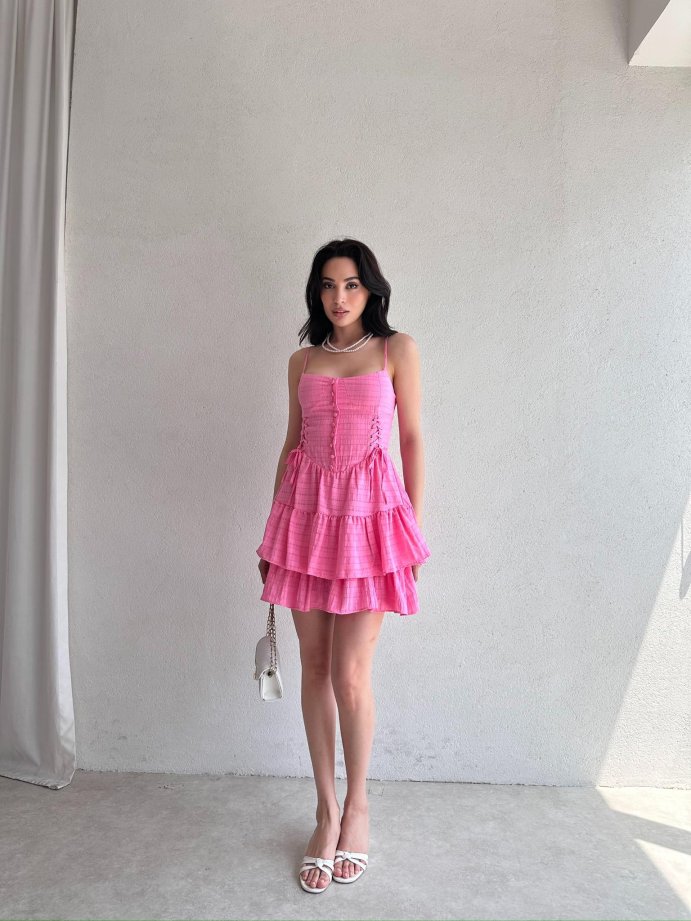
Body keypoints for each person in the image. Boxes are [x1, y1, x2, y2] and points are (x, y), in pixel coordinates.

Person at [256, 238, 431, 893]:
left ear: (370, 288)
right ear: (316, 291)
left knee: (351, 674)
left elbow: (411, 439)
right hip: (304, 520)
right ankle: (325, 812)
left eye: (351, 284)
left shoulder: (395, 350)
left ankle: (358, 808)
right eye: (328, 285)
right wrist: (272, 535)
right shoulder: (301, 360)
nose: (339, 297)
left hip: (371, 521)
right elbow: (291, 444)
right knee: (316, 667)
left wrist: (411, 532)